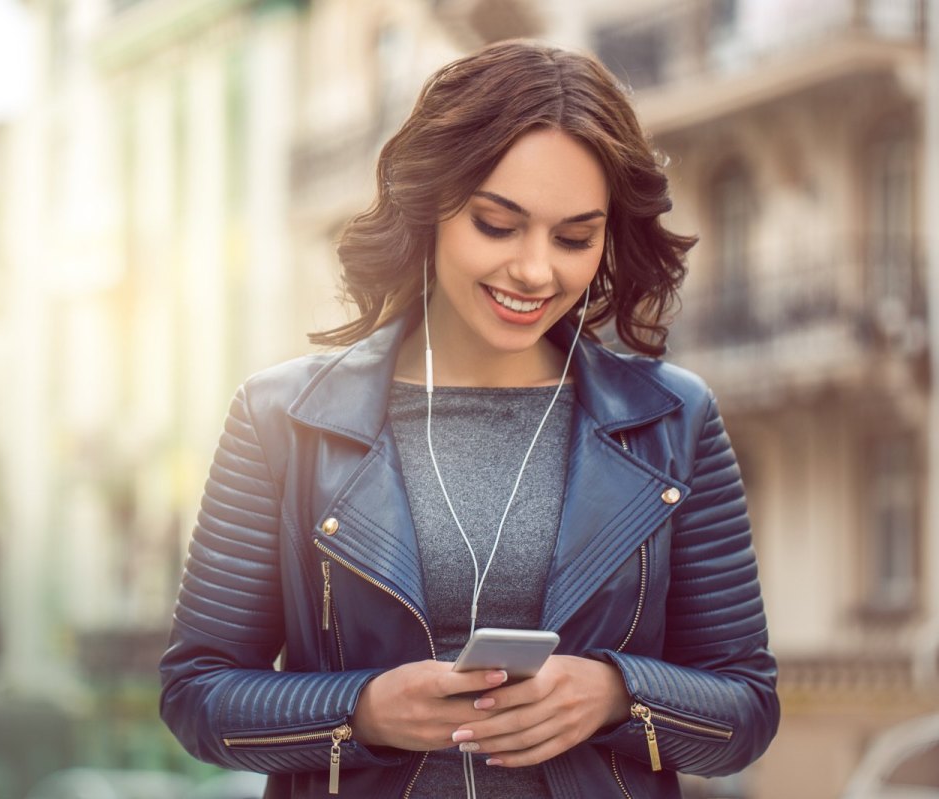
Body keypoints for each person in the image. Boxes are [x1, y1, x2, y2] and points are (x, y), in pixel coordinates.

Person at [159, 39, 779, 798]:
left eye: (575, 237)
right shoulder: (282, 418)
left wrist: (617, 694)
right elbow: (196, 694)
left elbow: (747, 707)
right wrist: (359, 710)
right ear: (433, 206)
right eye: (498, 224)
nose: (535, 269)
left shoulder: (673, 419)